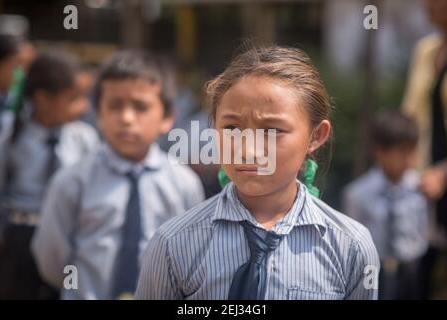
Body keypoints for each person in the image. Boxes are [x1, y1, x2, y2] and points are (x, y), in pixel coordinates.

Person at [135, 46, 380, 300]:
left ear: (315, 136)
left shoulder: (350, 247)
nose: (248, 150)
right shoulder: (173, 245)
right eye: (231, 128)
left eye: (272, 131)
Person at [31, 50, 205, 300]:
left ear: (167, 117)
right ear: (98, 114)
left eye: (140, 107)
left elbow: (193, 256)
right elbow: (52, 261)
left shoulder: (183, 183)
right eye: (114, 106)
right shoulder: (72, 181)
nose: (126, 118)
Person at [0, 49, 99, 299]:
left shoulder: (84, 138)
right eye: (74, 98)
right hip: (18, 239)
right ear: (43, 99)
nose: (84, 106)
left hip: (65, 237)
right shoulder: (10, 134)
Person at [343, 110, 428, 299]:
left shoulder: (419, 189)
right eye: (401, 151)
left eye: (412, 150)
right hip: (375, 272)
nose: (409, 158)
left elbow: (422, 231)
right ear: (379, 152)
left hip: (411, 271)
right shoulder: (358, 194)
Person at [401, 0, 447, 298]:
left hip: (439, 178)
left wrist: (444, 175)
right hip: (423, 183)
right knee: (415, 277)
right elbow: (411, 117)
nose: (426, 4)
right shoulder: (426, 50)